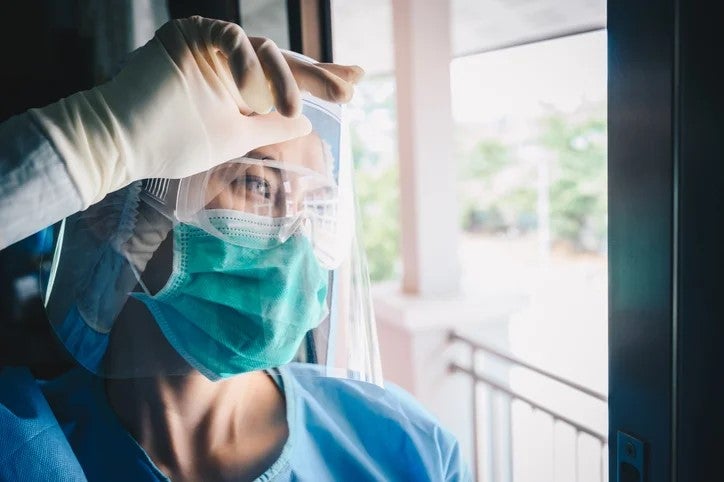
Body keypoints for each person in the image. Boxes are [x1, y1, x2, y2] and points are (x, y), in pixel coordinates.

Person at [0, 16, 470, 482]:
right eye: (257, 185)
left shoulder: (406, 450)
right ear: (115, 211)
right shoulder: (24, 448)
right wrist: (102, 135)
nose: (295, 236)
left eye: (316, 204)